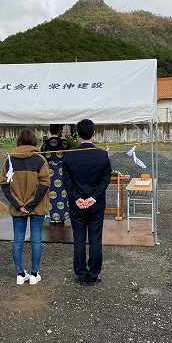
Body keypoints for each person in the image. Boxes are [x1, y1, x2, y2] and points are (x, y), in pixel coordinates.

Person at [62, 119, 112, 285]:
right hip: (95, 204)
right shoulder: (102, 155)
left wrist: (77, 198)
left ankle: (81, 273)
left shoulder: (69, 155)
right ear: (93, 133)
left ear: (78, 134)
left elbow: (66, 181)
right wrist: (93, 197)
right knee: (95, 238)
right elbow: (105, 179)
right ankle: (94, 273)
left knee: (79, 238)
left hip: (77, 205)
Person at [0, 128, 50, 285]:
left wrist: (18, 205)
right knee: (36, 239)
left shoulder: (10, 160)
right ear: (34, 141)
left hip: (18, 208)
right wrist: (31, 204)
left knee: (18, 240)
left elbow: (4, 184)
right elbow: (45, 183)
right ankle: (34, 274)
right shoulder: (40, 160)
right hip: (37, 207)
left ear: (19, 141)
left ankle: (20, 274)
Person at [40, 124, 70, 224]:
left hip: (49, 173)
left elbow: (42, 159)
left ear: (50, 130)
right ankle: (62, 216)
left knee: (50, 194)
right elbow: (69, 158)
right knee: (62, 194)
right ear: (59, 130)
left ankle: (51, 216)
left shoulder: (45, 144)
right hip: (62, 173)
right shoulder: (64, 143)